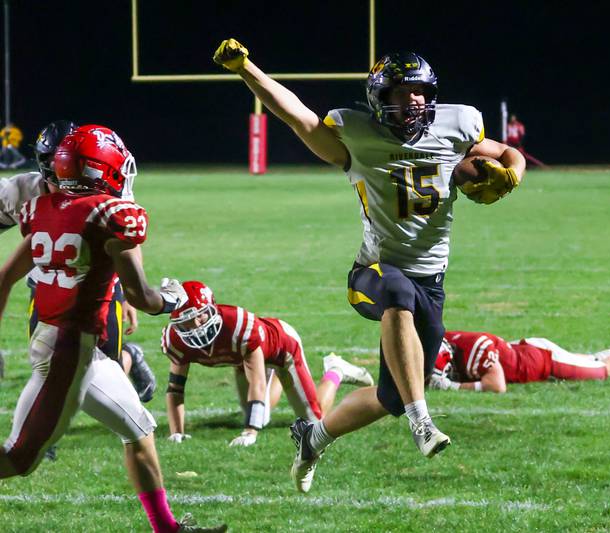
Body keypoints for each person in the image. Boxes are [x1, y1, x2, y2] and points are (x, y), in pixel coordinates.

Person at [213, 39, 525, 492]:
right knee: (395, 293)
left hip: (431, 281)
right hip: (372, 275)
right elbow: (295, 114)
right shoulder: (357, 135)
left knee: (389, 397)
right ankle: (422, 422)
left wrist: (514, 173)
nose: (414, 99)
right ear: (381, 98)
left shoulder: (458, 125)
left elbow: (507, 154)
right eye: (402, 91)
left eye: (419, 90)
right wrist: (247, 70)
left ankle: (312, 438)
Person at [0, 125, 226, 533]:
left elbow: (5, 277)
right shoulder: (111, 216)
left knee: (138, 428)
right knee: (19, 459)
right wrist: (174, 297)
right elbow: (142, 297)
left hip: (76, 349)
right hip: (67, 351)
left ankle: (167, 529)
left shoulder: (44, 208)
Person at [0, 121, 156, 405]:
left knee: (105, 373)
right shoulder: (22, 191)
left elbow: (126, 243)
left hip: (101, 287)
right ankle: (41, 440)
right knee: (47, 366)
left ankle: (129, 357)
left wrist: (131, 296)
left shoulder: (102, 189)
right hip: (50, 283)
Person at [161, 281, 373, 447]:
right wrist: (176, 432)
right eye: (185, 322)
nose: (194, 326)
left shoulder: (238, 326)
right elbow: (175, 388)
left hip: (282, 348)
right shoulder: (177, 340)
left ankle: (336, 369)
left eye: (198, 317)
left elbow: (258, 384)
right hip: (244, 359)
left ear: (211, 309)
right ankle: (280, 379)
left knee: (313, 422)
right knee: (260, 416)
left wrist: (249, 432)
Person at [428, 330, 610, 393]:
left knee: (601, 371)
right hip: (530, 352)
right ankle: (595, 357)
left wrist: (451, 387)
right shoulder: (451, 341)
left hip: (543, 361)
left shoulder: (474, 349)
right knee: (595, 362)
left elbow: (497, 385)